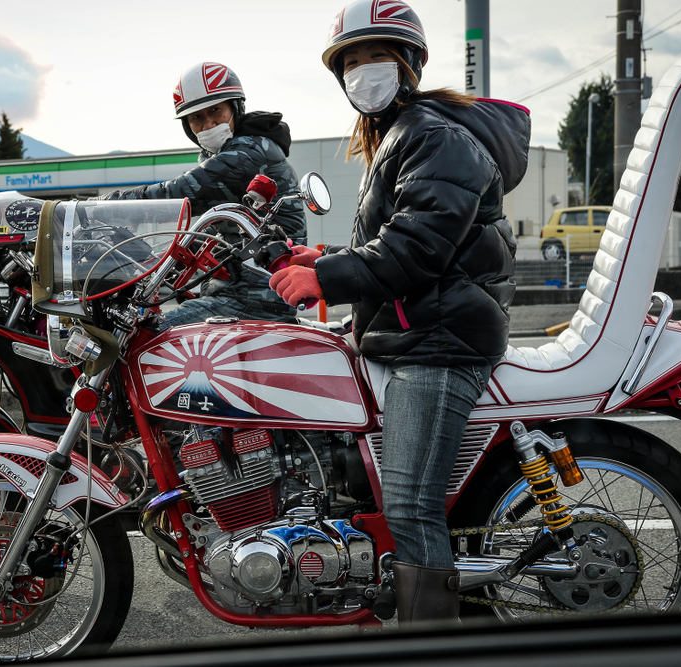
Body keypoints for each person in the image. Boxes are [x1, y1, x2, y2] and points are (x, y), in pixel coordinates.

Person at [270, 0, 530, 625]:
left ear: (410, 62)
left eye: (376, 56)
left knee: (411, 505)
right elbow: (403, 237)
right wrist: (327, 255)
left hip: (440, 344)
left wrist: (324, 277)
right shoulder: (403, 134)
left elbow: (417, 248)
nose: (363, 71)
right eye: (351, 62)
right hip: (417, 330)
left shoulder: (435, 135)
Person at [101, 61, 306, 330]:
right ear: (187, 125)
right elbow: (224, 234)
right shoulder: (233, 152)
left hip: (253, 301)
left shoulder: (246, 153)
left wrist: (99, 206)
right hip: (238, 293)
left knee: (140, 336)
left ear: (235, 108)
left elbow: (174, 195)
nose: (208, 124)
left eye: (216, 112)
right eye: (197, 117)